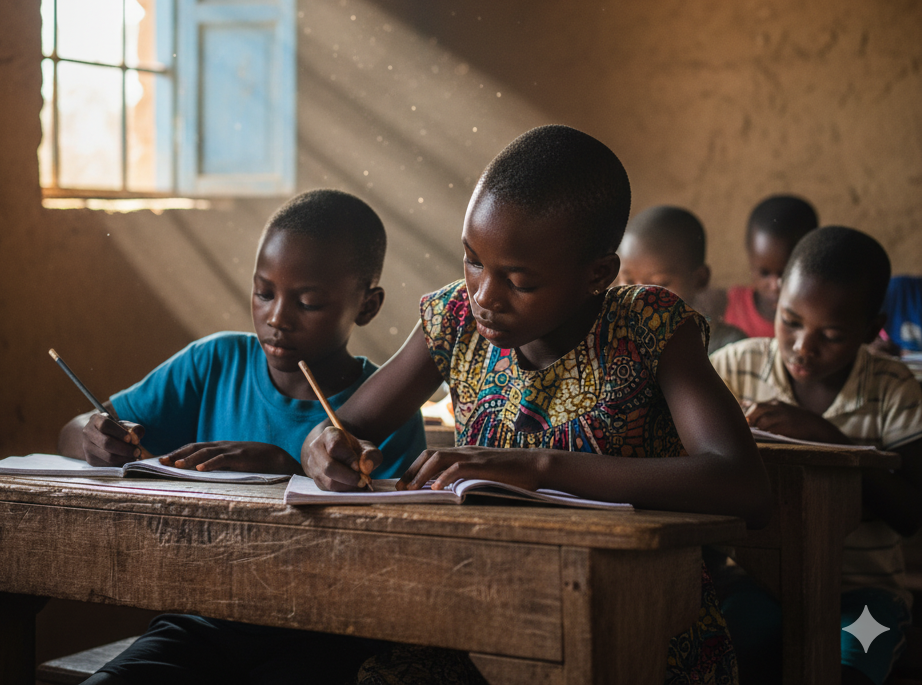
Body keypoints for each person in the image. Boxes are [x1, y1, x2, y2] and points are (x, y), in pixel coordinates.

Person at [303, 125, 773, 685]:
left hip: (634, 623)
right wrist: (324, 446)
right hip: (480, 614)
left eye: (518, 281)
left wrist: (537, 468)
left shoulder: (648, 327)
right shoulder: (454, 320)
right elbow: (347, 425)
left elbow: (745, 486)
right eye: (472, 261)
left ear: (597, 274)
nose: (484, 295)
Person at [60, 189, 427, 685]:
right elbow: (73, 430)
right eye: (264, 292)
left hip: (323, 635)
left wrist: (287, 472)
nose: (277, 317)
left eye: (309, 301)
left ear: (367, 305)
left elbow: (383, 558)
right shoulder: (212, 364)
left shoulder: (384, 407)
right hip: (201, 621)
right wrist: (93, 436)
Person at [710, 226, 922, 685]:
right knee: (732, 651)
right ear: (776, 299)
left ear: (870, 329)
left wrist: (826, 437)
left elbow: (911, 513)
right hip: (756, 582)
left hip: (865, 594)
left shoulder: (893, 389)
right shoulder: (733, 368)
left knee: (854, 666)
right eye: (790, 321)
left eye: (831, 334)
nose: (803, 346)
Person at [616, 204, 745, 352]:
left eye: (659, 284)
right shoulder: (610, 339)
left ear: (699, 280)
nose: (638, 297)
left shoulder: (728, 349)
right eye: (629, 281)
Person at [724, 194, 818, 339]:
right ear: (751, 257)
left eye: (785, 274)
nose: (774, 285)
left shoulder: (819, 315)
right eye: (764, 273)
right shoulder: (732, 307)